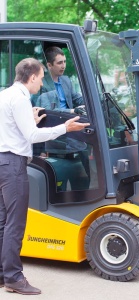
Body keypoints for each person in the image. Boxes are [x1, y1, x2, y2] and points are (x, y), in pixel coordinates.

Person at [0, 58, 90, 295]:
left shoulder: (5, 95)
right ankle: (14, 278)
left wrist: (31, 121)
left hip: (1, 162)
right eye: (40, 78)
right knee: (15, 224)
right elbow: (31, 136)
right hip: (13, 166)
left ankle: (2, 275)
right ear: (31, 77)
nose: (41, 83)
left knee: (2, 222)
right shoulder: (20, 99)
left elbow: (11, 128)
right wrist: (65, 128)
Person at [35, 46, 85, 115]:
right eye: (60, 63)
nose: (63, 66)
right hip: (54, 121)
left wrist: (92, 101)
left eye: (64, 62)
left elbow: (77, 99)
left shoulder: (66, 80)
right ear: (49, 65)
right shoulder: (42, 83)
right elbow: (48, 109)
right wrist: (72, 111)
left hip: (70, 119)